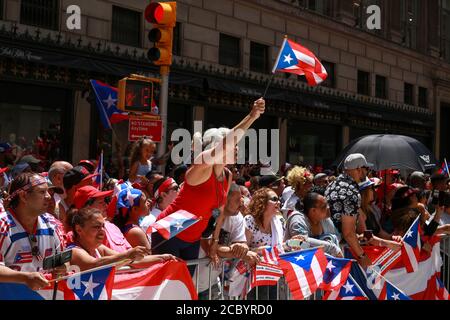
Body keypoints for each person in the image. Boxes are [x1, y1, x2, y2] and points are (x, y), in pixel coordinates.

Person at [152, 98, 265, 274]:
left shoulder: (227, 176)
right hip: (169, 232)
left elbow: (218, 213)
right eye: (232, 145)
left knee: (184, 290)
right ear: (217, 147)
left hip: (193, 237)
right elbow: (226, 143)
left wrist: (214, 243)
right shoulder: (202, 165)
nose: (236, 149)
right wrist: (252, 116)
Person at [195, 183, 260, 300]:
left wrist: (242, 248)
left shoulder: (237, 217)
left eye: (241, 199)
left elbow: (242, 243)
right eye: (237, 200)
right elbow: (210, 247)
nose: (241, 204)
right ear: (224, 200)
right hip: (190, 283)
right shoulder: (209, 215)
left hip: (211, 283)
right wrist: (241, 253)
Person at [66, 207, 176, 271]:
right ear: (79, 230)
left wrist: (163, 258)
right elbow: (94, 265)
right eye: (96, 227)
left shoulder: (99, 249)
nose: (102, 231)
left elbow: (134, 261)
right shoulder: (74, 251)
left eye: (103, 226)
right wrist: (127, 255)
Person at [0, 173, 65, 276]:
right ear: (24, 196)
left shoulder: (53, 224)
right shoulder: (2, 226)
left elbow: (62, 261)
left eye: (48, 192)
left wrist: (62, 267)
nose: (48, 197)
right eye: (42, 192)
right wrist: (26, 278)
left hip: (45, 292)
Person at [325, 153, 372, 269]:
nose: (367, 173)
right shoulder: (351, 192)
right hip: (339, 252)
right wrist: (362, 255)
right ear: (359, 169)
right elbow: (348, 233)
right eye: (366, 169)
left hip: (328, 247)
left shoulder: (331, 185)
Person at [243, 187, 284, 300]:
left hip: (273, 272)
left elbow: (280, 247)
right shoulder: (250, 220)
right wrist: (259, 250)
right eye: (274, 199)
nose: (278, 202)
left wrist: (292, 243)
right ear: (262, 202)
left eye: (279, 199)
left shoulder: (279, 222)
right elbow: (243, 249)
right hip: (253, 275)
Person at [284, 192, 342, 257]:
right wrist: (331, 247)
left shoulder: (324, 218)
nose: (328, 208)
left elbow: (337, 236)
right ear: (313, 211)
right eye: (324, 206)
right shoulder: (297, 220)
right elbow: (299, 243)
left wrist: (328, 242)